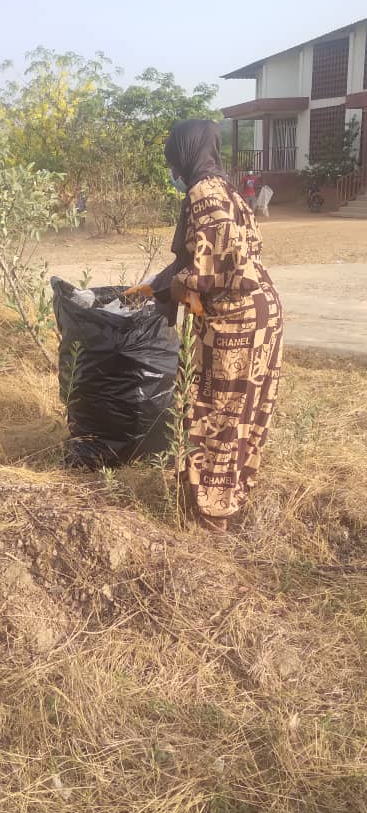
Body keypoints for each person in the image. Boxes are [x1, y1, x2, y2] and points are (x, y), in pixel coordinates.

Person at [127, 120, 283, 534]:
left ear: (185, 154)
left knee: (217, 414)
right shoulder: (227, 190)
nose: (173, 171)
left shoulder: (203, 193)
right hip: (261, 313)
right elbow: (202, 257)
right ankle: (221, 498)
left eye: (173, 161)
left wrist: (179, 288)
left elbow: (219, 270)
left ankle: (213, 516)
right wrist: (156, 286)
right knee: (240, 413)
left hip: (236, 322)